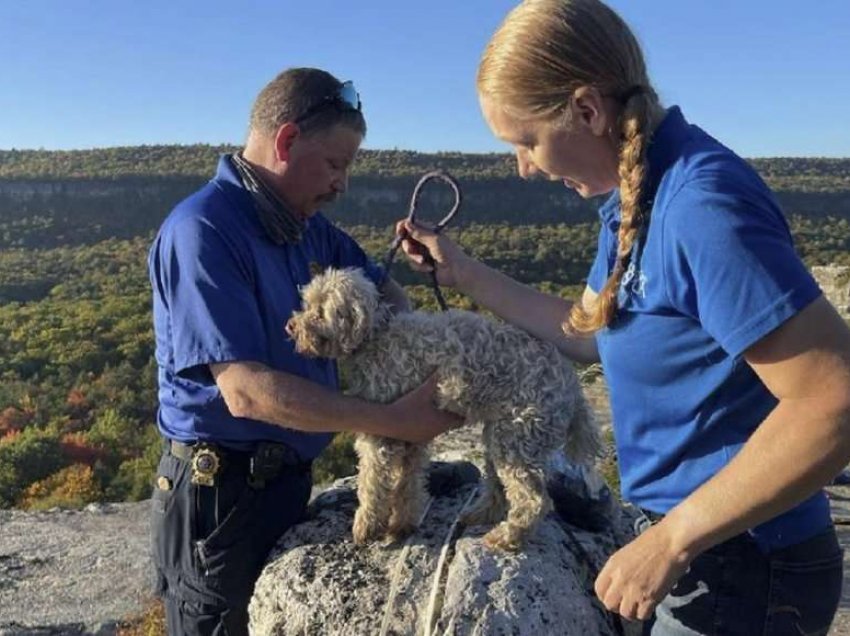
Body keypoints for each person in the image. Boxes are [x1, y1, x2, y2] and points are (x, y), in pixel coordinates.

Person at [396, 1, 850, 634]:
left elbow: (832, 401)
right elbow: (585, 333)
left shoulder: (700, 205)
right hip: (704, 551)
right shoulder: (635, 198)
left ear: (587, 109)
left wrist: (673, 541)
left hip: (744, 563)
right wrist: (464, 273)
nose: (524, 167)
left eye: (526, 141)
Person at [147, 67, 459, 635]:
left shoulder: (306, 228)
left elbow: (387, 291)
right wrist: (392, 419)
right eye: (336, 164)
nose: (343, 184)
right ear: (287, 141)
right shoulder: (203, 230)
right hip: (219, 499)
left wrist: (403, 321)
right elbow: (244, 391)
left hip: (286, 483)